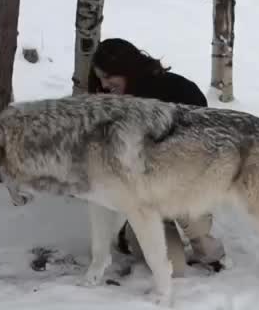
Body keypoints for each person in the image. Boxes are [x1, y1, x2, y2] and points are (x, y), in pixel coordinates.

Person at [87, 38, 227, 275]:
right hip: (145, 197)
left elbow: (206, 144)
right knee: (174, 269)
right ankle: (130, 234)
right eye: (99, 77)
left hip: (185, 184)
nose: (103, 84)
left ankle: (207, 248)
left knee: (196, 228)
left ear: (128, 70)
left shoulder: (178, 90)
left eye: (109, 77)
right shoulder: (106, 104)